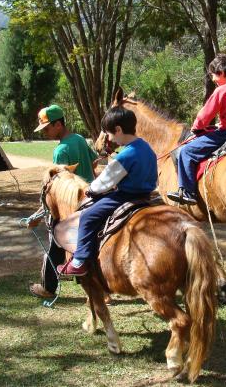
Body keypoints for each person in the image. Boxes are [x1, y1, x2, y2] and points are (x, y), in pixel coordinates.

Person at [57, 106, 157, 276]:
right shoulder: (147, 148)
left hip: (125, 196)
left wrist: (91, 189)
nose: (109, 139)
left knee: (88, 216)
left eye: (109, 134)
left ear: (118, 130)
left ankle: (79, 260)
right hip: (146, 196)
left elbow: (104, 183)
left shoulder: (126, 155)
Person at [29, 104, 99, 299]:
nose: (45, 133)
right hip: (92, 198)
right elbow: (94, 162)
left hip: (71, 202)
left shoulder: (61, 150)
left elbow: (58, 184)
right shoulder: (79, 139)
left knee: (56, 243)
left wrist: (40, 213)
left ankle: (48, 288)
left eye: (47, 128)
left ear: (58, 124)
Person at [167, 53, 226, 205]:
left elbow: (205, 115)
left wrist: (196, 128)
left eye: (213, 75)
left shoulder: (222, 90)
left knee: (186, 152)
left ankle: (187, 192)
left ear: (220, 73)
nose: (213, 79)